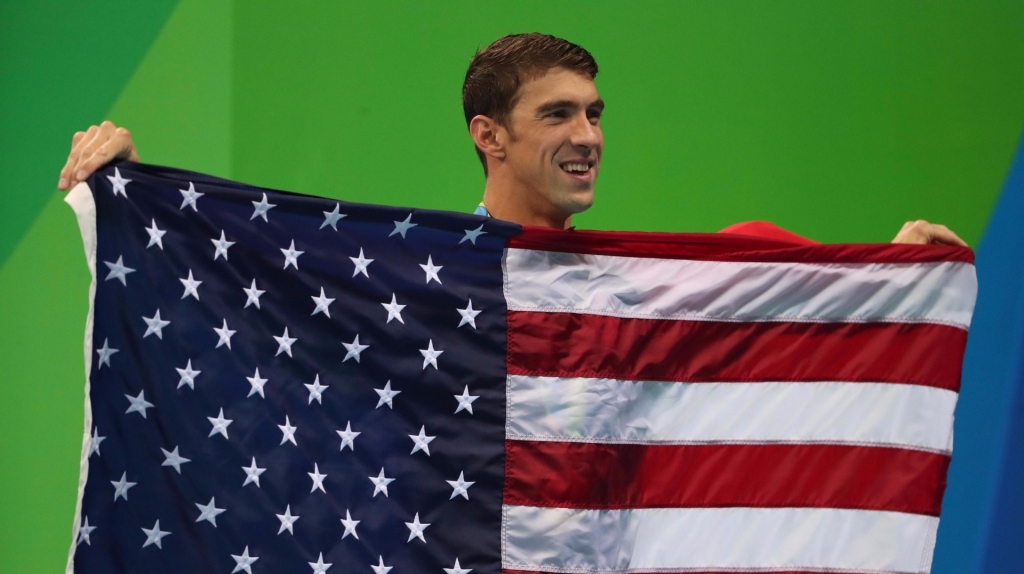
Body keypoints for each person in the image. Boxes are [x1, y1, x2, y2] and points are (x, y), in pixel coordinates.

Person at [55, 33, 967, 246]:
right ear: (488, 135)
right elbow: (252, 279)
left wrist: (884, 275)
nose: (589, 135)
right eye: (559, 115)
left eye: (597, 114)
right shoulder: (418, 281)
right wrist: (134, 197)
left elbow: (748, 264)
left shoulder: (639, 287)